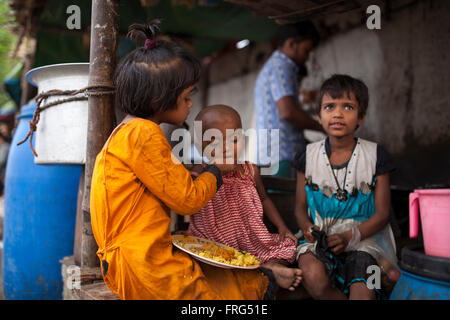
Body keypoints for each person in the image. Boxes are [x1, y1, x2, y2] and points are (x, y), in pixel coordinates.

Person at [90, 20, 270, 300]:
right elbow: (187, 199)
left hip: (134, 258)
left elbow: (167, 181)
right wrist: (215, 171)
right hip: (145, 263)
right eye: (186, 98)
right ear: (158, 100)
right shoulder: (144, 133)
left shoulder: (126, 132)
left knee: (236, 285)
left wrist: (197, 172)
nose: (190, 105)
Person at [293, 74, 399, 300]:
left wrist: (350, 236)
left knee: (365, 290)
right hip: (319, 237)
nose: (338, 113)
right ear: (319, 116)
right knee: (313, 277)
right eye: (329, 106)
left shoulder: (376, 156)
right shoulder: (307, 156)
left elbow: (381, 215)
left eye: (348, 107)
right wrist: (307, 227)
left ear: (361, 117)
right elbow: (300, 206)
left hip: (366, 239)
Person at [188, 105, 302, 292]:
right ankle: (262, 270)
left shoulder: (249, 170)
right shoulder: (201, 173)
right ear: (202, 147)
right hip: (214, 244)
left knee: (286, 246)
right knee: (206, 263)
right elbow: (188, 198)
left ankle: (272, 267)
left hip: (249, 239)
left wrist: (282, 227)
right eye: (215, 142)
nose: (227, 148)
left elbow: (264, 199)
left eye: (234, 139)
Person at [254, 21, 323, 178]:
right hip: (283, 158)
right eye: (306, 50)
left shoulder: (273, 66)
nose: (306, 58)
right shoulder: (281, 66)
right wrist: (323, 126)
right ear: (291, 44)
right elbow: (288, 113)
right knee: (287, 200)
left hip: (273, 157)